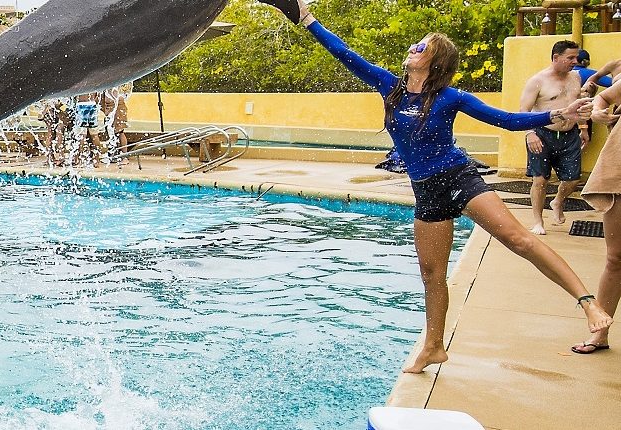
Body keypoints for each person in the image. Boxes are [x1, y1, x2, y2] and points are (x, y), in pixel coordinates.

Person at [258, 0, 612, 374]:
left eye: (421, 46)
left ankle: (588, 302)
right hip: (426, 191)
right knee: (431, 275)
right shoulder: (389, 86)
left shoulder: (450, 97)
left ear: (436, 59)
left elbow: (507, 120)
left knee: (518, 239)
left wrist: (557, 115)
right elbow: (344, 53)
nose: (413, 49)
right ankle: (433, 347)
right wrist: (307, 18)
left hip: (458, 177)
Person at [520, 41, 588, 235]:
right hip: (542, 134)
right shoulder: (537, 81)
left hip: (570, 134)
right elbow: (524, 110)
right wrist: (530, 133)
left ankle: (558, 200)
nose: (575, 61)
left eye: (576, 57)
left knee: (573, 179)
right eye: (570, 58)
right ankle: (538, 221)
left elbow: (578, 104)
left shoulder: (575, 77)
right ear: (556, 58)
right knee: (540, 180)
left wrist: (583, 128)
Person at [573, 80, 621, 354]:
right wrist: (598, 112)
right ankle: (600, 334)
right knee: (615, 258)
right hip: (618, 171)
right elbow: (602, 100)